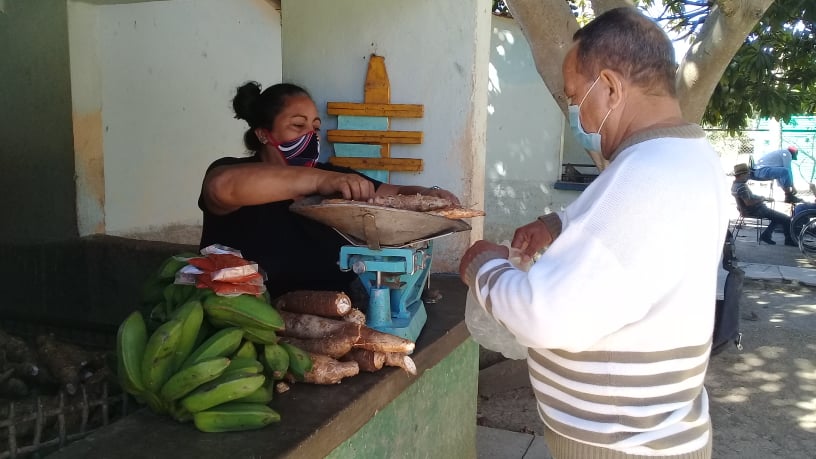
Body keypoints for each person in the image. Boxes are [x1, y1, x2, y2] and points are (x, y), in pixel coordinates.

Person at [460, 7, 727, 458]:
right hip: (654, 434)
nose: (573, 111)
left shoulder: (645, 176)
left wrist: (482, 265)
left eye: (574, 96)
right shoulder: (689, 156)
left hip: (624, 446)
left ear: (609, 87)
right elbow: (614, 227)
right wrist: (552, 225)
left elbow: (542, 316)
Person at [199, 81, 459, 299]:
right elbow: (221, 188)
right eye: (297, 126)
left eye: (314, 128)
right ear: (263, 134)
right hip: (246, 324)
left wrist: (430, 192)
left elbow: (395, 193)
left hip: (328, 320)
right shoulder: (233, 172)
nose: (310, 137)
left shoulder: (335, 178)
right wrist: (319, 181)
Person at [731, 163, 796, 246]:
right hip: (756, 210)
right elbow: (749, 203)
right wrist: (762, 199)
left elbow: (749, 198)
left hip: (749, 210)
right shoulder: (741, 187)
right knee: (786, 219)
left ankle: (766, 236)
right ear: (741, 175)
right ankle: (789, 241)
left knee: (778, 217)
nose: (748, 176)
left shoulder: (735, 185)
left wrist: (764, 198)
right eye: (747, 174)